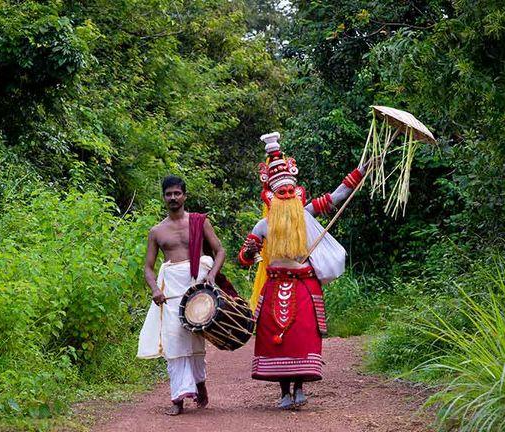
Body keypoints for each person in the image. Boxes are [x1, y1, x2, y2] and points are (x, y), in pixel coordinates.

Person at [238, 132, 365, 409]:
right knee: (276, 340)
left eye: (288, 192)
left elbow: (337, 196)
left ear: (295, 193)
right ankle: (284, 392)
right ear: (271, 195)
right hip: (274, 286)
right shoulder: (264, 225)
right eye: (279, 192)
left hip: (304, 285)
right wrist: (249, 253)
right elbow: (245, 258)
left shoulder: (306, 214)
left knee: (302, 335)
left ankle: (299, 389)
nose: (285, 196)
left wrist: (362, 169)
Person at [137, 175, 226, 416]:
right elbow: (147, 267)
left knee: (196, 338)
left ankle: (199, 384)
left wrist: (212, 276)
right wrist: (155, 289)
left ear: (184, 196)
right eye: (169, 194)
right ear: (163, 197)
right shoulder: (157, 231)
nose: (173, 198)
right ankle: (177, 398)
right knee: (173, 339)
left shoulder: (199, 222)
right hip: (171, 290)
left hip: (197, 286)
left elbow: (219, 251)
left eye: (177, 193)